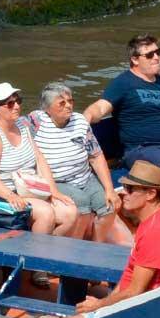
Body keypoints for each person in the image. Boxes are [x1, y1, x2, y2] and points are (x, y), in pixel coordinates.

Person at [52, 161, 160, 318]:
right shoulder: (154, 219)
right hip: (139, 304)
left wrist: (99, 305)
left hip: (146, 313)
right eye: (124, 187)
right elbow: (130, 276)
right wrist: (107, 303)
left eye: (130, 189)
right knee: (84, 301)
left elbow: (135, 291)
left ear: (151, 194)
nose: (123, 193)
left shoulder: (156, 230)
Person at [29, 82, 131, 244]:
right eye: (62, 103)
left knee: (109, 206)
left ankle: (96, 245)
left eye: (70, 101)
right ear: (47, 108)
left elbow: (96, 157)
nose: (68, 106)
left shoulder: (80, 122)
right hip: (57, 180)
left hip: (85, 177)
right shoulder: (35, 121)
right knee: (81, 204)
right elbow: (11, 127)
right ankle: (75, 248)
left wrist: (109, 189)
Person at [0, 82, 76, 235]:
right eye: (10, 104)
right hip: (4, 193)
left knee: (70, 212)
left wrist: (53, 191)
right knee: (46, 213)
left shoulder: (22, 126)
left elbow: (39, 158)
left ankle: (48, 245)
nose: (16, 106)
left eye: (18, 101)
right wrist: (10, 196)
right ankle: (36, 248)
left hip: (30, 189)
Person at [84, 35, 160, 173]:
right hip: (142, 150)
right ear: (135, 59)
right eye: (149, 55)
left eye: (158, 52)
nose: (156, 57)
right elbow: (100, 107)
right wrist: (86, 118)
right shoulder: (123, 83)